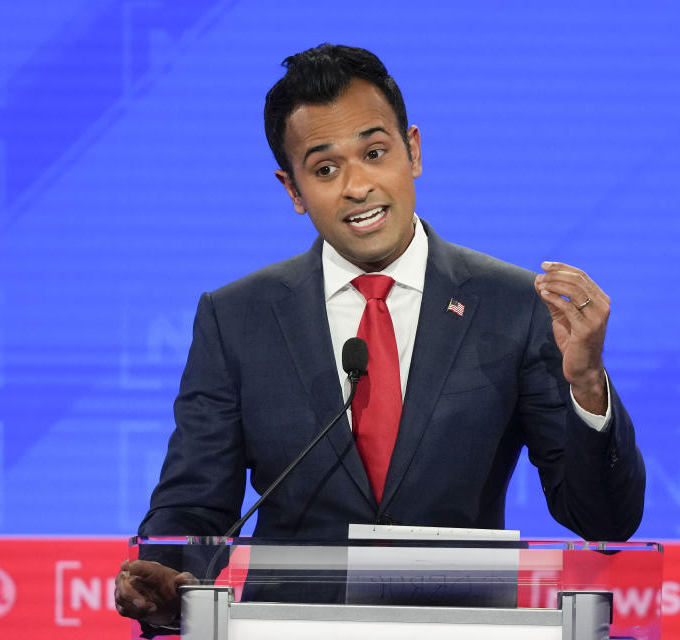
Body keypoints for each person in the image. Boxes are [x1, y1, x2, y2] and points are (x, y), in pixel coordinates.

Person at [115, 43, 645, 632]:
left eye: (374, 152)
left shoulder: (513, 306)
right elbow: (194, 507)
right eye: (324, 168)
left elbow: (603, 518)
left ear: (411, 151)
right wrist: (162, 577)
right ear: (292, 190)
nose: (357, 186)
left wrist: (587, 384)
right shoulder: (237, 317)